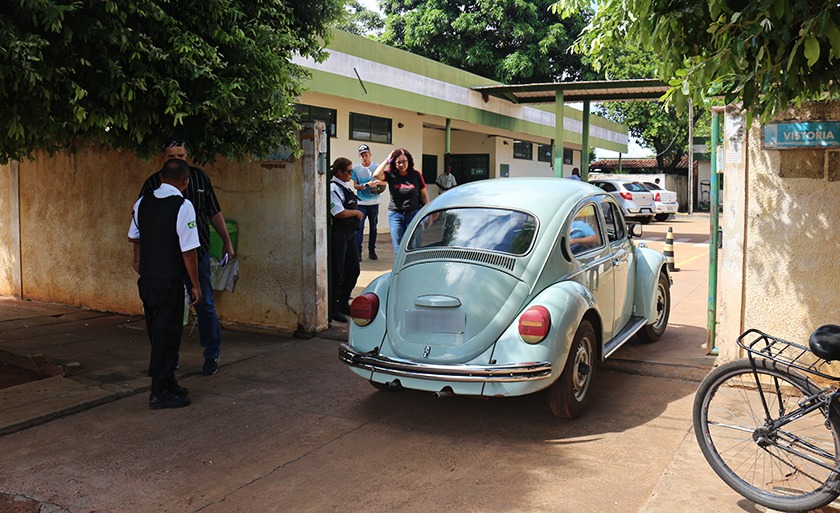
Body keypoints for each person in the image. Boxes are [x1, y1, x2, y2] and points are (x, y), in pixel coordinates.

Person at [138, 140, 233, 376]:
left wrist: (227, 241)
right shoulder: (152, 184)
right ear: (164, 158)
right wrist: (138, 256)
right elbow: (139, 222)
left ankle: (212, 353)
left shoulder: (199, 179)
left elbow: (214, 212)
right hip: (166, 260)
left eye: (181, 155)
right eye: (173, 156)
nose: (178, 160)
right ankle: (168, 358)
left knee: (204, 304)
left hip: (196, 254)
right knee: (167, 309)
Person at [129, 158, 201, 409]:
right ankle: (159, 391)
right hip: (169, 281)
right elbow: (188, 250)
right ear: (185, 182)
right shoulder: (183, 206)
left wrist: (138, 259)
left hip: (147, 281)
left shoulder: (142, 202)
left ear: (161, 178)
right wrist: (196, 284)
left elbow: (133, 236)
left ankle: (168, 382)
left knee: (156, 333)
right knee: (168, 335)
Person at [373, 148, 430, 255]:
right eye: (398, 162)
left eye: (404, 161)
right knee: (398, 248)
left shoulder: (416, 175)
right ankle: (400, 271)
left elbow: (424, 196)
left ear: (409, 161)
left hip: (413, 214)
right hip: (395, 215)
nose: (401, 164)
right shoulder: (390, 174)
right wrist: (387, 160)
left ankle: (413, 270)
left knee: (414, 246)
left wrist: (428, 214)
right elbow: (376, 175)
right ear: (394, 163)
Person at [329, 158, 364, 323]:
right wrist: (356, 213)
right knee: (338, 272)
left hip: (350, 234)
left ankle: (343, 302)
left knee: (353, 269)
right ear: (339, 172)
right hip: (339, 235)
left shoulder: (345, 187)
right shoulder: (333, 188)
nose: (351, 174)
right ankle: (334, 308)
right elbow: (338, 212)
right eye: (349, 171)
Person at [351, 144, 383, 262]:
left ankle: (372, 250)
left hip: (374, 202)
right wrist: (363, 186)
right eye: (362, 155)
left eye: (366, 155)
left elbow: (383, 182)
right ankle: (358, 252)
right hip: (361, 203)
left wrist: (376, 184)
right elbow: (355, 185)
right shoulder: (356, 169)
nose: (365, 157)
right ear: (359, 156)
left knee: (373, 227)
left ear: (370, 154)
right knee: (359, 227)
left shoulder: (377, 167)